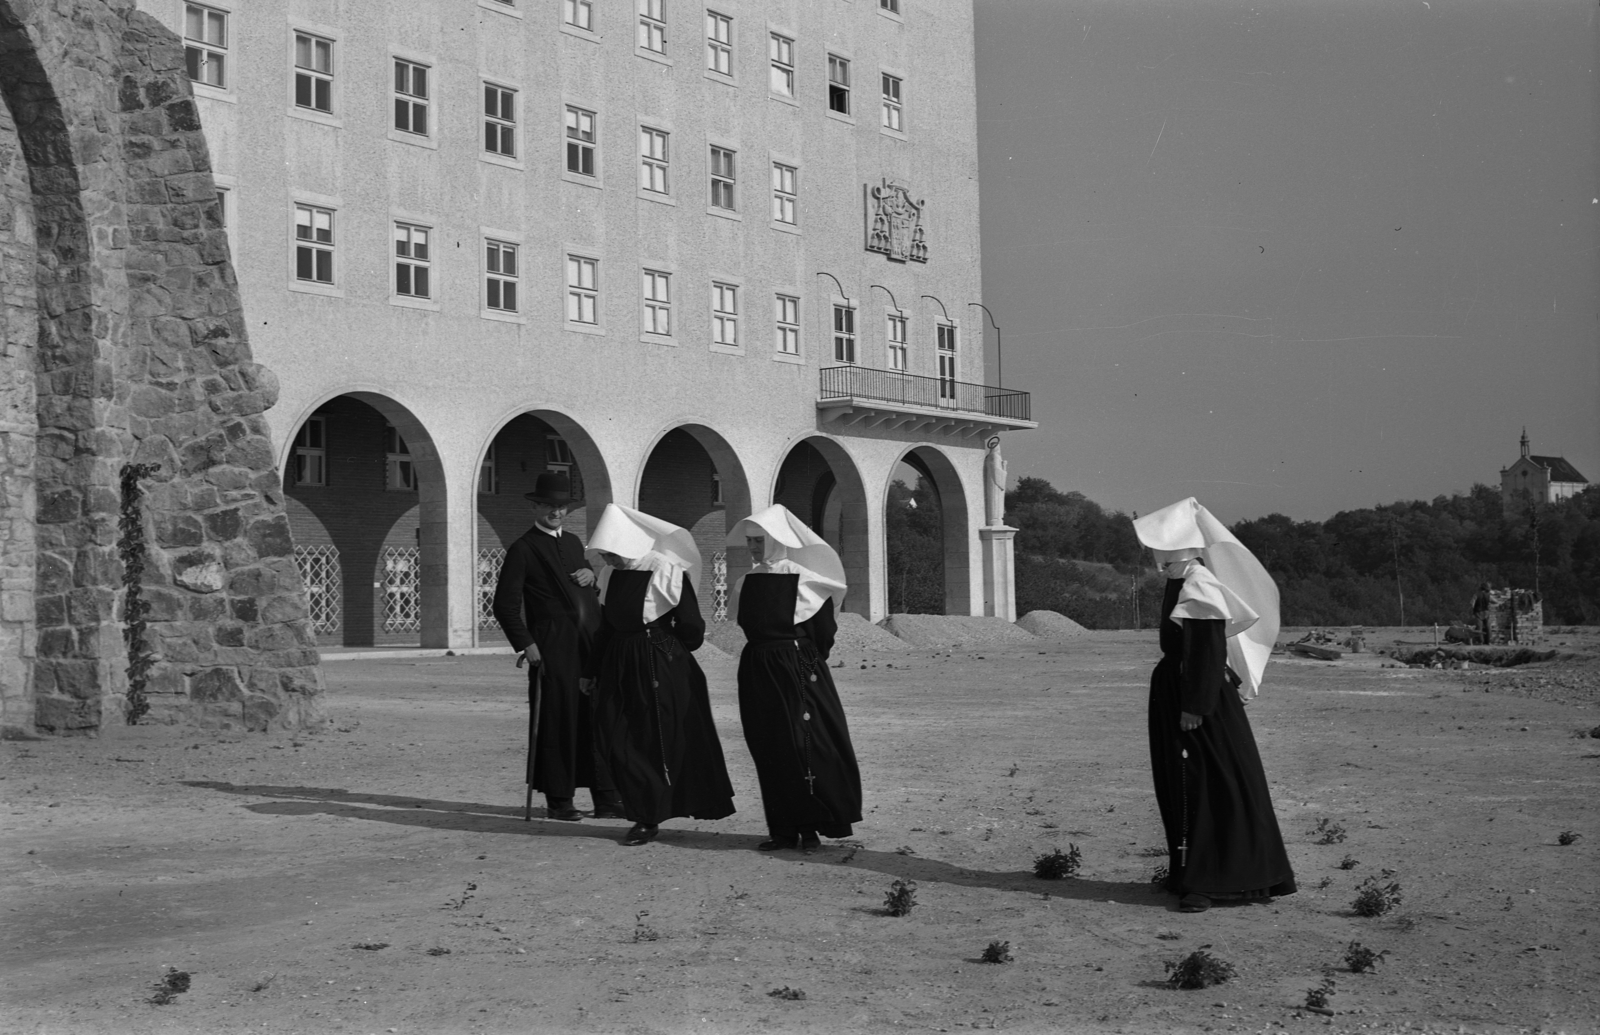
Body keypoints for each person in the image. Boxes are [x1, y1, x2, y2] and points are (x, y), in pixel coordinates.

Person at [1133, 497, 1296, 913]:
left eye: (1158, 545)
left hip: (1197, 696)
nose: (1153, 553)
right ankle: (1192, 873)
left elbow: (1206, 651)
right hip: (1181, 689)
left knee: (1206, 781)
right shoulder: (1180, 580)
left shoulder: (1199, 585)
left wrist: (1196, 706)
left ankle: (1217, 881)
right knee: (1188, 781)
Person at [584, 504, 735, 846]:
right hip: (619, 662)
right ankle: (640, 803)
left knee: (657, 739)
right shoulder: (610, 575)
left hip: (659, 663)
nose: (608, 560)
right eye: (604, 554)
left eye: (612, 553)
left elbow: (692, 626)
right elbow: (605, 628)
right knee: (615, 734)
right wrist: (591, 670)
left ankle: (647, 816)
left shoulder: (665, 569)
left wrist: (668, 651)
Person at [726, 504, 861, 852]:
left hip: (797, 668)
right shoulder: (746, 581)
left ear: (777, 541)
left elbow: (823, 631)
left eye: (760, 541)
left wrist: (802, 661)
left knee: (806, 744)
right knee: (769, 746)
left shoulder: (804, 579)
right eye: (751, 542)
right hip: (758, 669)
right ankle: (783, 828)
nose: (754, 548)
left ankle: (813, 825)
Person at [491, 471, 623, 822]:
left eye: (562, 506)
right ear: (535, 506)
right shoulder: (523, 548)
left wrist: (591, 577)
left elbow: (586, 591)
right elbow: (504, 605)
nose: (556, 512)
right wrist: (526, 644)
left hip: (589, 645)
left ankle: (607, 797)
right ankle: (559, 799)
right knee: (558, 721)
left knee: (597, 718)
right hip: (552, 649)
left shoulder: (575, 543)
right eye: (549, 505)